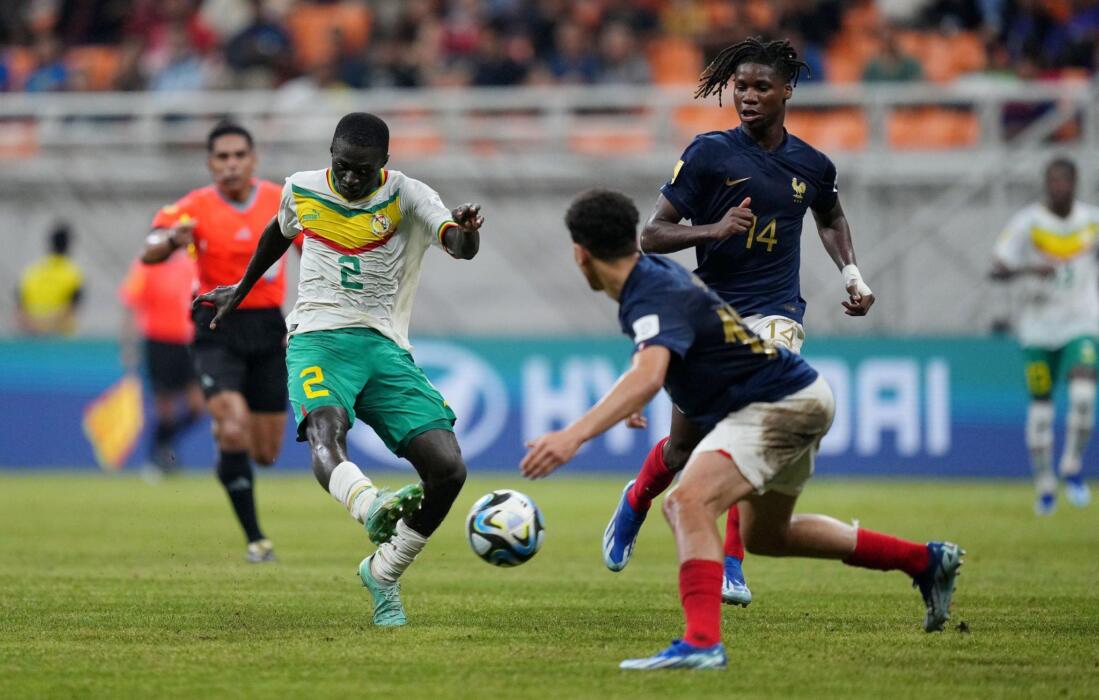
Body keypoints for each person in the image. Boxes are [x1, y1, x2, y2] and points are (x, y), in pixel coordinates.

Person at [522, 188, 962, 670]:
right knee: (769, 537)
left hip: (776, 404)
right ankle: (925, 561)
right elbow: (664, 351)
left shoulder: (647, 290)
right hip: (799, 396)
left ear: (579, 254)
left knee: (686, 502)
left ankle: (701, 641)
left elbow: (650, 370)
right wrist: (644, 385)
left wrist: (573, 436)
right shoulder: (655, 277)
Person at [601, 37, 874, 607]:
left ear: (786, 92)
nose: (747, 97)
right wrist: (713, 229)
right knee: (682, 449)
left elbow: (830, 217)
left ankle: (731, 563)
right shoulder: (707, 154)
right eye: (740, 87)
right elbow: (651, 235)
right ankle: (637, 500)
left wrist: (851, 271)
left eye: (760, 88)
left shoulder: (813, 164)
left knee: (742, 427)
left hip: (778, 313)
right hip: (710, 316)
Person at [195, 112, 484, 627]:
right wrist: (240, 290)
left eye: (363, 170)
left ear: (385, 164)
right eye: (343, 166)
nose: (351, 179)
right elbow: (277, 234)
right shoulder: (302, 189)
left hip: (383, 347)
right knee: (326, 427)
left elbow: (459, 247)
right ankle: (368, 504)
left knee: (448, 470)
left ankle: (385, 570)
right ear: (331, 154)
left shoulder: (409, 195)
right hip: (316, 339)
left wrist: (466, 232)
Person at [142, 121, 296, 563]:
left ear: (254, 159)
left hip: (268, 327)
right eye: (222, 158)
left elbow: (317, 251)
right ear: (210, 164)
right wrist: (172, 240)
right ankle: (256, 539)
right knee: (232, 427)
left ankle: (232, 455)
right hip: (216, 325)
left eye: (238, 156)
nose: (230, 165)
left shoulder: (280, 201)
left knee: (265, 452)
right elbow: (150, 246)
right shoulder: (193, 208)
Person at [991, 157, 1098, 514]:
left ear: (1075, 183)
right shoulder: (1028, 223)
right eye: (1053, 181)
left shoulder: (1091, 221)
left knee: (1083, 395)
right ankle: (1044, 482)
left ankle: (1071, 464)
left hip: (1080, 324)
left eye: (1065, 181)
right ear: (1046, 184)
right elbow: (997, 268)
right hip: (1037, 328)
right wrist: (1027, 268)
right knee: (1041, 411)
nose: (1059, 187)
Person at [118, 250, 204, 477]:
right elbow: (131, 305)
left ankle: (163, 446)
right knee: (165, 408)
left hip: (187, 343)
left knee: (197, 405)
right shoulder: (145, 265)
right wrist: (128, 347)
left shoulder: (189, 264)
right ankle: (157, 457)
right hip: (159, 342)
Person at [16, 223, 84, 336]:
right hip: (60, 338)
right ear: (69, 245)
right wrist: (49, 326)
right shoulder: (73, 274)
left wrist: (35, 326)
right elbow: (71, 309)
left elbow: (19, 310)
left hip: (32, 336)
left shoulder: (32, 271)